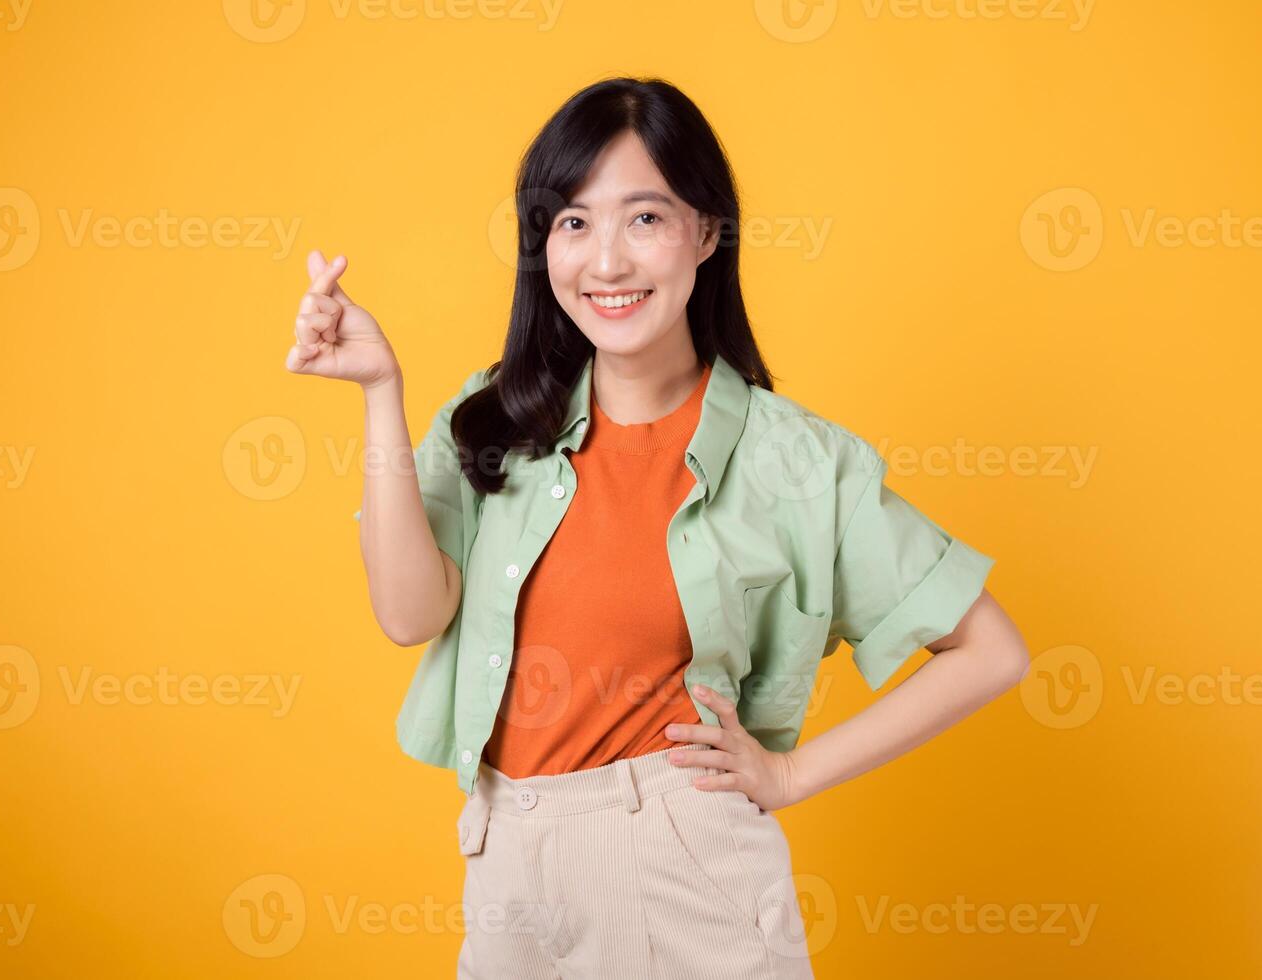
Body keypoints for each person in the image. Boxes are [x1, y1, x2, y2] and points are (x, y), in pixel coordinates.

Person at [285, 75, 1030, 980]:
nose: (607, 262)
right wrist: (380, 394)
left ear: (707, 232)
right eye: (573, 222)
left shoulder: (794, 463)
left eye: (644, 218)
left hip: (683, 872)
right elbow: (408, 615)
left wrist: (791, 777)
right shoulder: (496, 419)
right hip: (505, 859)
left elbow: (992, 650)